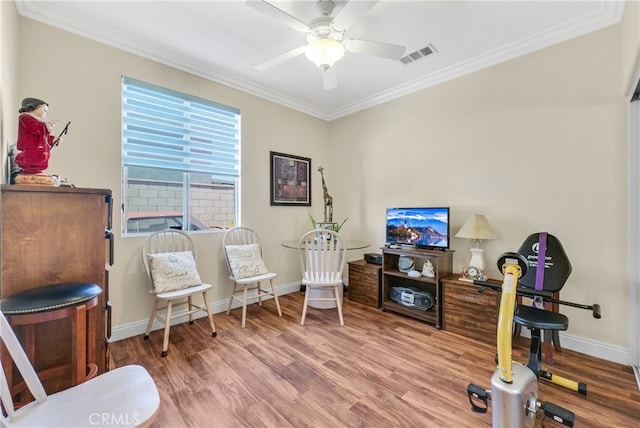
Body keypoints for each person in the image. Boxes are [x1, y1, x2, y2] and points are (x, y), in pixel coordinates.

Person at [14, 98, 57, 174]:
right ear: (33, 107)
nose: (46, 113)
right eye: (44, 110)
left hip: (38, 150)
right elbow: (35, 128)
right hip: (31, 149)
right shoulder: (25, 118)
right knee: (32, 160)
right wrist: (48, 125)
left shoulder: (38, 121)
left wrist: (53, 140)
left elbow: (42, 137)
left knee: (39, 159)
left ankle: (35, 172)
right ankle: (30, 172)